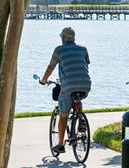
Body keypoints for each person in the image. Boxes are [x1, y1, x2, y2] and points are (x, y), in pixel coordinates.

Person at [39, 26, 91, 155]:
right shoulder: (83, 49)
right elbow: (85, 65)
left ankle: (60, 145)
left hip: (68, 85)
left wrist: (44, 80)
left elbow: (50, 67)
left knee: (63, 115)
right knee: (77, 98)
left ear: (62, 37)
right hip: (85, 84)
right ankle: (80, 118)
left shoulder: (59, 50)